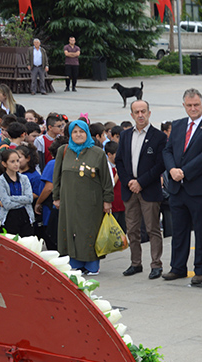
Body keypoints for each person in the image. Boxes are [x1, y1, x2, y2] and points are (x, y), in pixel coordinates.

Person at [162, 88, 202, 284]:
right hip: (177, 188)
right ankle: (177, 267)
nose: (193, 108)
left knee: (201, 231)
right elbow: (167, 150)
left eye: (196, 105)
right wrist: (172, 170)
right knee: (178, 231)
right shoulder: (178, 125)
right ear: (184, 106)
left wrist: (184, 172)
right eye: (189, 105)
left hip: (197, 188)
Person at [52, 120, 114, 274]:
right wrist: (57, 197)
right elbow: (57, 176)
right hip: (69, 201)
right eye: (75, 132)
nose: (78, 135)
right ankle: (75, 264)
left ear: (87, 133)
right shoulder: (63, 151)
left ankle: (92, 266)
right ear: (70, 134)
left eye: (81, 132)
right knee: (71, 231)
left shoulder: (97, 152)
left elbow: (106, 179)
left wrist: (107, 201)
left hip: (92, 202)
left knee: (89, 232)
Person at [115, 100, 167, 280]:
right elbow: (119, 161)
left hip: (149, 189)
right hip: (130, 190)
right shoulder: (125, 135)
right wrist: (129, 181)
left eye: (143, 111)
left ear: (149, 113)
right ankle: (135, 263)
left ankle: (156, 264)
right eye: (136, 112)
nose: (140, 115)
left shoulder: (159, 137)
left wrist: (141, 182)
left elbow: (160, 164)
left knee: (153, 228)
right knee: (132, 229)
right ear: (131, 115)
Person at [0, 149, 34, 236]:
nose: (16, 164)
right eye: (12, 161)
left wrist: (11, 198)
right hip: (9, 217)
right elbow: (7, 204)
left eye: (17, 160)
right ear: (4, 163)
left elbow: (29, 198)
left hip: (25, 215)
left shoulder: (24, 178)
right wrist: (22, 201)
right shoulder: (0, 181)